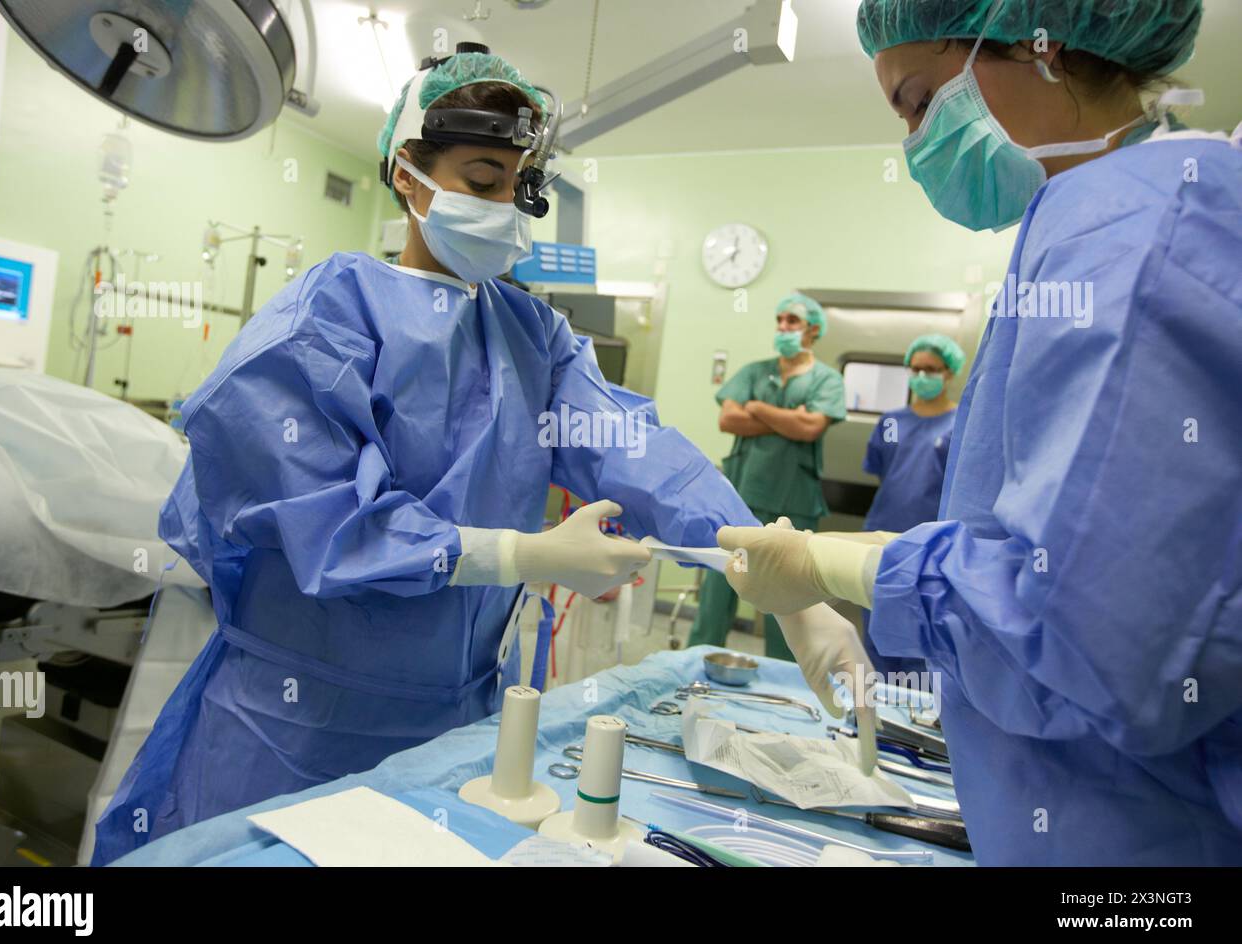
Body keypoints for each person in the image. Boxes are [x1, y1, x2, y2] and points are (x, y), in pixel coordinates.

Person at [92, 48, 758, 864]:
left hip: (454, 728)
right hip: (295, 723)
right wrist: (519, 553)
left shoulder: (533, 337)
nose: (504, 207)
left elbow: (638, 450)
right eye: (481, 180)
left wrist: (765, 557)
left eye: (516, 187)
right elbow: (326, 524)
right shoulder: (325, 314)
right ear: (408, 175)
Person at [720, 0, 1242, 864]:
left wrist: (840, 565)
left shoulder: (1136, 235)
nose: (918, 142)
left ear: (1041, 46)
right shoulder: (1106, 221)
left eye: (922, 100)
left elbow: (1093, 636)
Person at [688, 294, 845, 660]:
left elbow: (809, 428)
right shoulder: (754, 371)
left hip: (795, 501)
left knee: (788, 598)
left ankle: (786, 676)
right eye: (780, 320)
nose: (784, 327)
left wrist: (755, 408)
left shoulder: (828, 380)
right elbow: (728, 419)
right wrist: (785, 418)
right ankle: (697, 663)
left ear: (813, 330)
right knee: (718, 590)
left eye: (793, 321)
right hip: (740, 497)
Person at [860, 333, 964, 672]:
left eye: (931, 369)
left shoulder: (960, 424)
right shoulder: (891, 422)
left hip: (933, 546)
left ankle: (916, 716)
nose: (922, 376)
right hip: (882, 537)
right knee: (877, 630)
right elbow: (884, 472)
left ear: (949, 372)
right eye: (916, 368)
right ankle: (873, 718)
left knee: (923, 638)